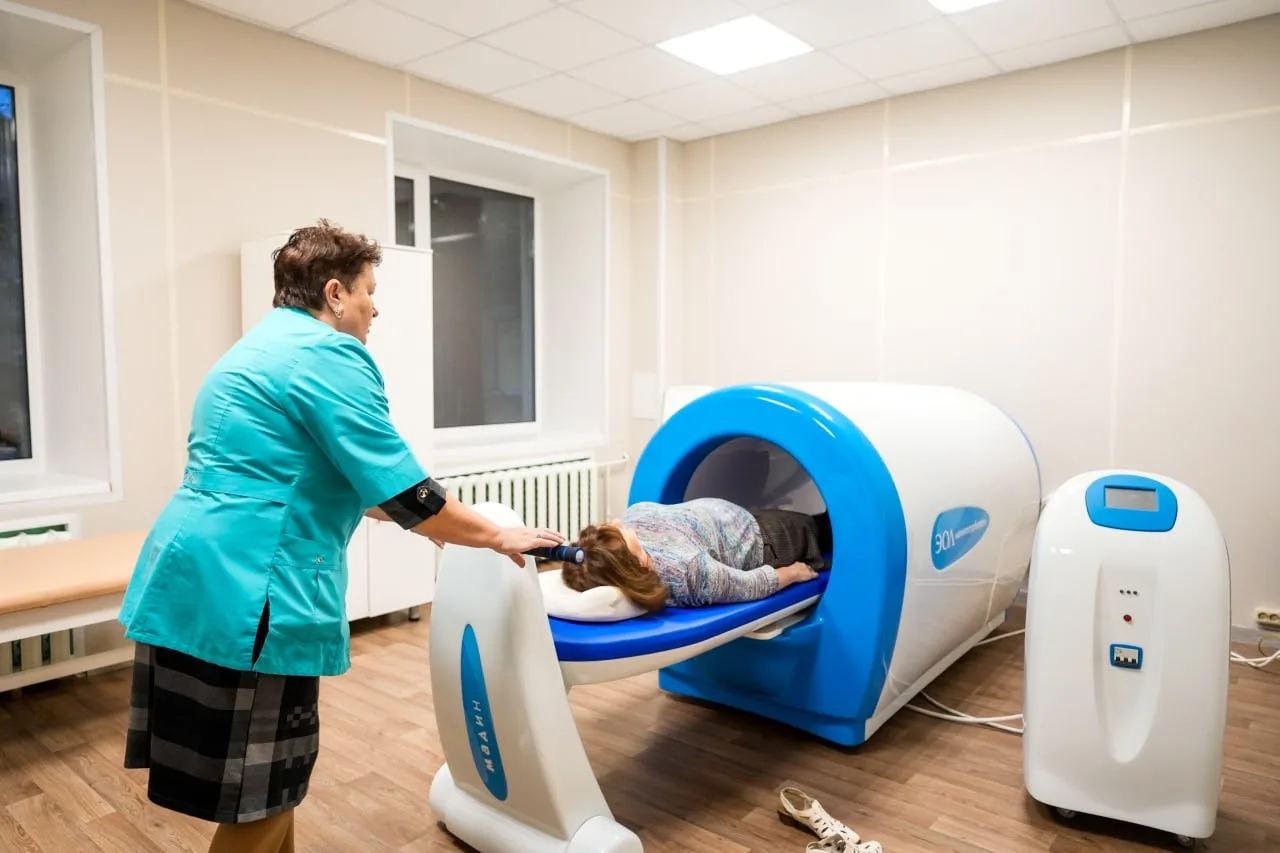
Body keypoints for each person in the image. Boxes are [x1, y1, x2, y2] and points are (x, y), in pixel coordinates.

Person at [117, 220, 564, 853]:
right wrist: (494, 536)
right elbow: (402, 487)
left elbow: (317, 476)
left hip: (191, 579)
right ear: (334, 293)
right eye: (367, 292)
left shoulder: (255, 348)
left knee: (268, 786)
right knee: (262, 795)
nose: (374, 308)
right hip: (253, 595)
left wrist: (429, 524)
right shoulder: (326, 355)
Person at [566, 497, 831, 610]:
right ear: (639, 562)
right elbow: (750, 585)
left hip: (736, 521)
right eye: (619, 532)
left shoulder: (629, 522)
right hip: (762, 540)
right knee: (824, 528)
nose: (617, 522)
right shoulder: (687, 571)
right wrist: (793, 573)